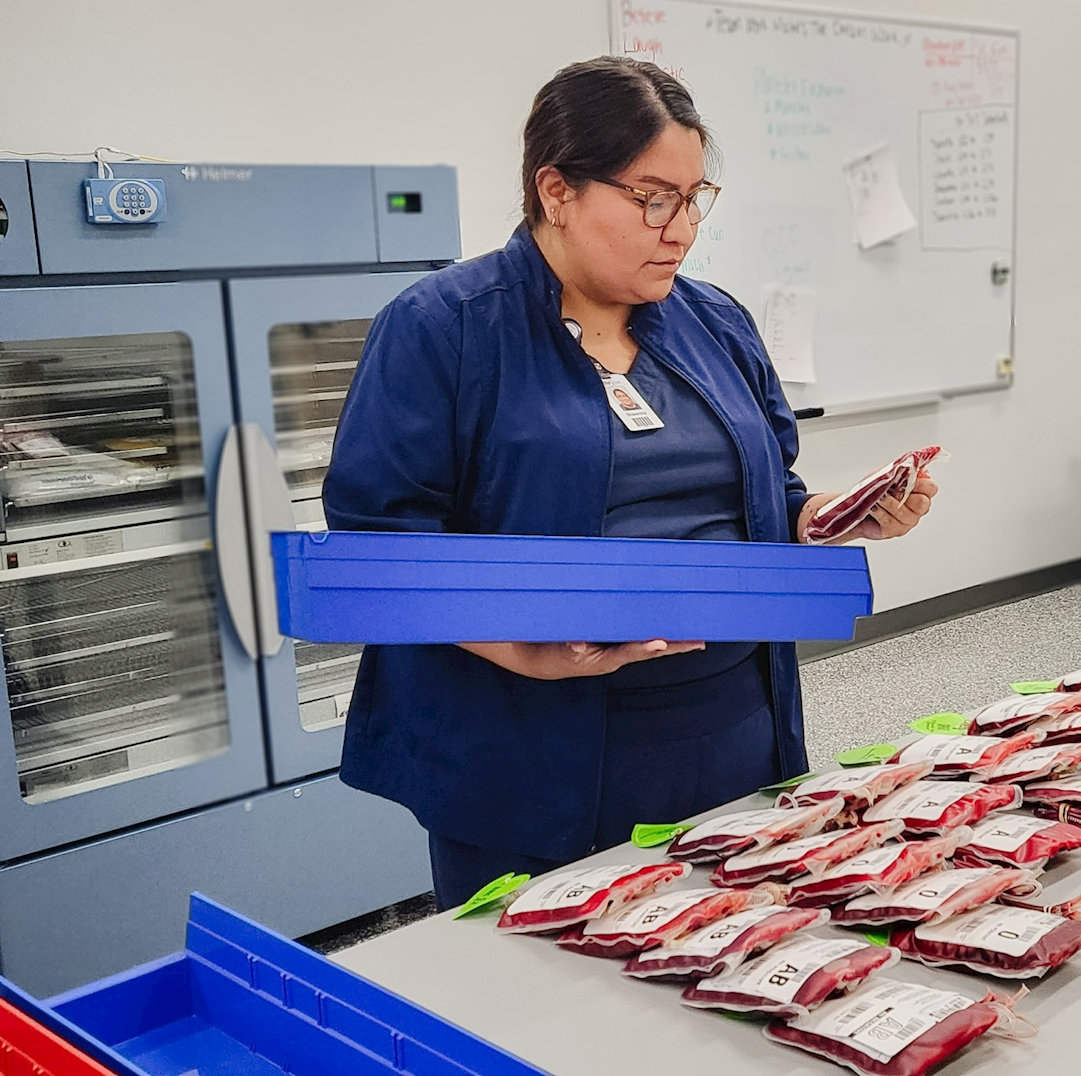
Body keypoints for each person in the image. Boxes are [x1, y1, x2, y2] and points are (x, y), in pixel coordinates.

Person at [323, 56, 938, 910]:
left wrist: (821, 519)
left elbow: (769, 485)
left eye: (693, 199)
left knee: (724, 951)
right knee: (543, 999)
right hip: (529, 742)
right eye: (653, 198)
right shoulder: (443, 329)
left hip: (732, 725)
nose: (680, 229)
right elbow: (380, 542)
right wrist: (523, 649)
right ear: (557, 190)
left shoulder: (714, 320)